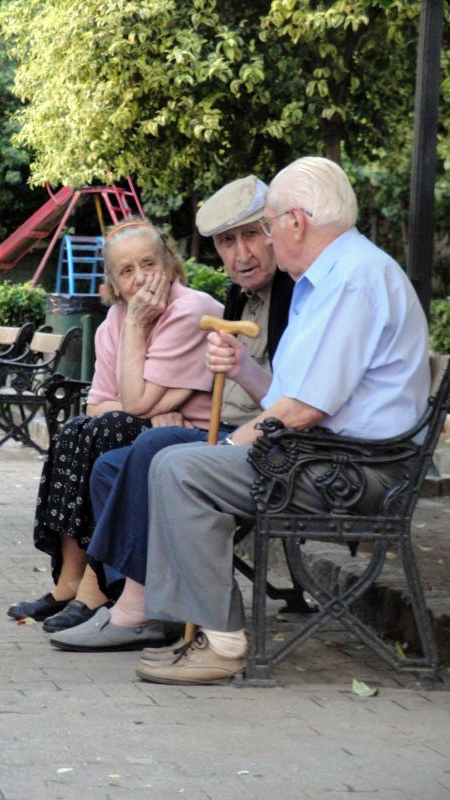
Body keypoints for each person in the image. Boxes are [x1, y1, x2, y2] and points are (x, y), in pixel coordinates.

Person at [131, 156, 430, 685]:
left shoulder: (352, 280)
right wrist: (245, 372)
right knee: (175, 461)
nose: (266, 239)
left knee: (181, 469)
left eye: (266, 226)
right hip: (331, 459)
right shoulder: (331, 278)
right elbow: (293, 396)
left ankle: (221, 644)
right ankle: (200, 629)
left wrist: (227, 450)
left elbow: (304, 409)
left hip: (358, 474)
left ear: (297, 222)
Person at [46, 175, 294, 649]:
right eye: (226, 242)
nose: (241, 254)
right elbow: (106, 400)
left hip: (261, 441)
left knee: (146, 442)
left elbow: (289, 400)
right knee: (107, 466)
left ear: (275, 232)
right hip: (226, 431)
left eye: (251, 236)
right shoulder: (240, 294)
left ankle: (133, 608)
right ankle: (130, 598)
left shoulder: (290, 294)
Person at [7, 218, 222, 624]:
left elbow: (131, 403)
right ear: (114, 283)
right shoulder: (113, 323)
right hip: (154, 428)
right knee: (74, 431)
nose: (140, 279)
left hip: (196, 436)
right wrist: (142, 403)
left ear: (171, 266)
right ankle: (69, 582)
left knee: (113, 428)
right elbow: (98, 404)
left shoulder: (190, 308)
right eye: (126, 271)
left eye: (149, 264)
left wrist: (138, 334)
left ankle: (96, 586)